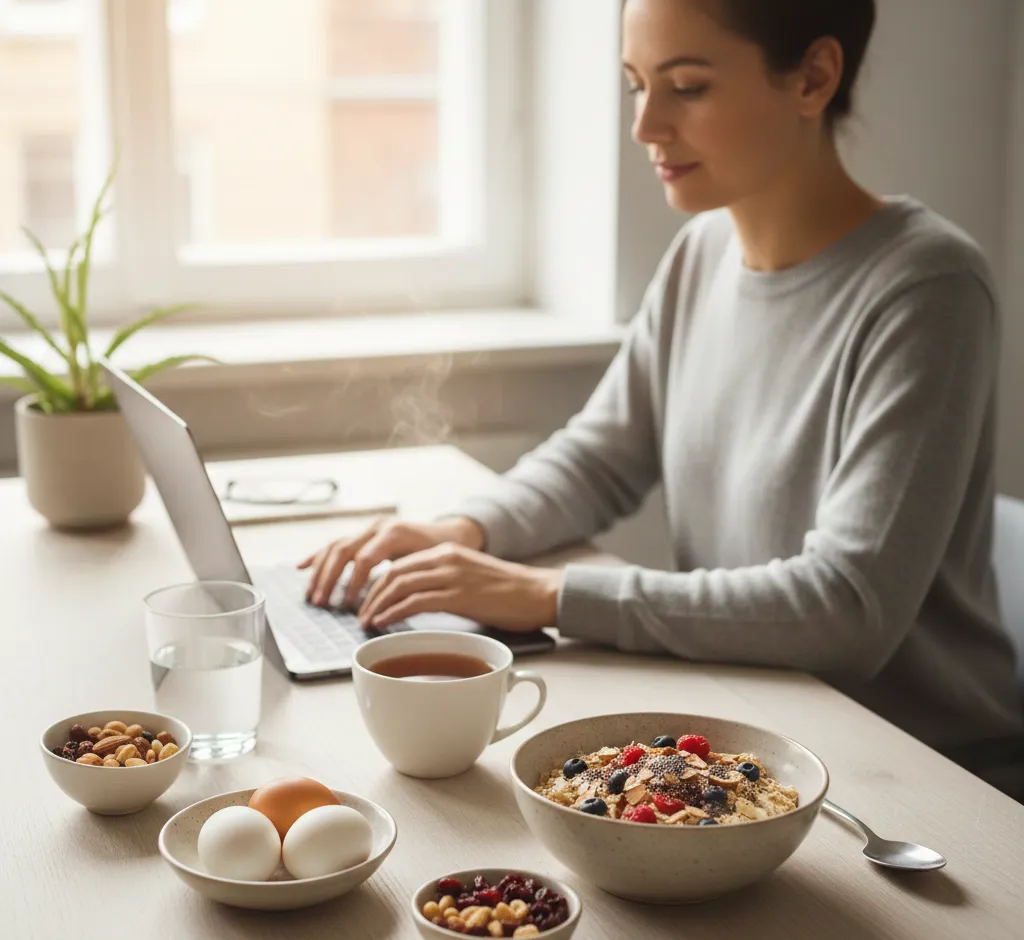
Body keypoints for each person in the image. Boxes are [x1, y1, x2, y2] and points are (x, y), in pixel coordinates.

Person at [301, 0, 1024, 797]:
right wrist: (465, 530)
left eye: (687, 87)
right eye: (635, 85)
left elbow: (845, 610)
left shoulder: (927, 289)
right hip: (756, 724)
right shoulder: (703, 251)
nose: (646, 127)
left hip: (920, 768)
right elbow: (604, 454)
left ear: (813, 77)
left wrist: (545, 595)